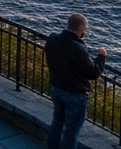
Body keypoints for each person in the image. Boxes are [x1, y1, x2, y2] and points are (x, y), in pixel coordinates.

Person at [45, 13, 109, 149]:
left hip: (57, 87)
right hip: (75, 94)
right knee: (71, 131)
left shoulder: (52, 39)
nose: (85, 31)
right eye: (85, 28)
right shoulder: (78, 48)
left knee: (57, 122)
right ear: (81, 29)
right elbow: (93, 73)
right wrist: (101, 57)